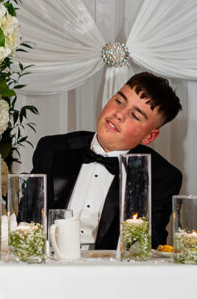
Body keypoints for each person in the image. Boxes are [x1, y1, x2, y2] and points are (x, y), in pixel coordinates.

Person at [30, 72, 182, 249]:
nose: (119, 114)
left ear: (149, 136)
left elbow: (147, 245)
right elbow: (27, 222)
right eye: (119, 101)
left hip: (111, 266)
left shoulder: (161, 176)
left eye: (135, 115)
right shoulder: (51, 148)